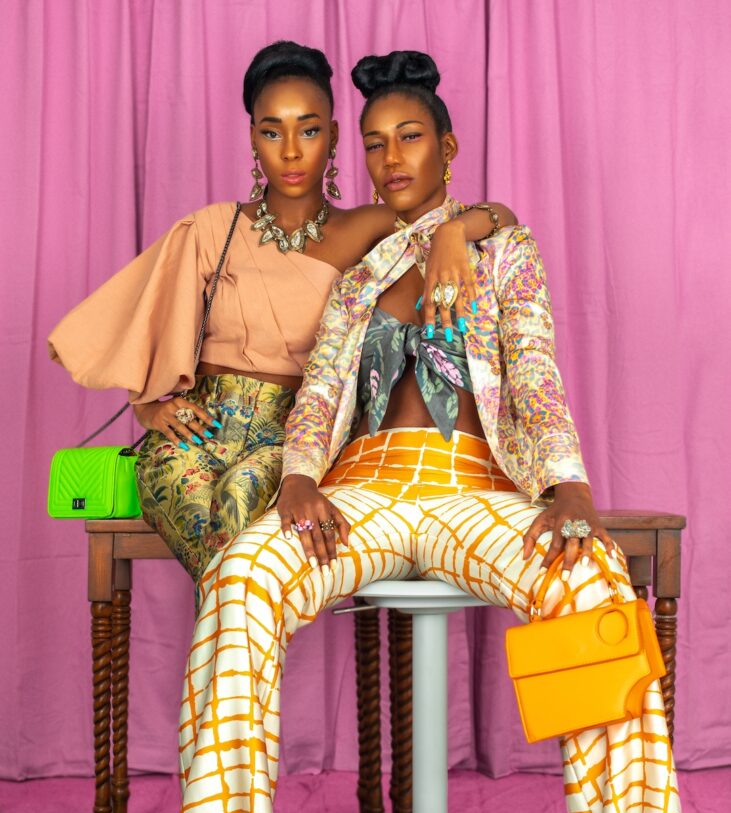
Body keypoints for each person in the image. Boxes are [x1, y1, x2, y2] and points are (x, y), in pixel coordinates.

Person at [175, 49, 689, 813]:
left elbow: (530, 374)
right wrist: (295, 476)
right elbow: (323, 389)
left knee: (590, 583)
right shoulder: (358, 267)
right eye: (372, 144)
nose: (390, 157)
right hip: (359, 492)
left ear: (448, 147)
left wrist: (566, 486)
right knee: (239, 579)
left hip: (473, 489)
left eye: (409, 136)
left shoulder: (502, 249)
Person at [49, 41, 514, 585]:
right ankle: (241, 644)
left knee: (240, 516)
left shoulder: (372, 228)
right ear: (253, 138)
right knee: (184, 495)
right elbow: (141, 324)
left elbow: (498, 219)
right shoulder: (212, 229)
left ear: (335, 137)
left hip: (292, 441)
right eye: (272, 131)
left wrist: (457, 232)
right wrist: (150, 410)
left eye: (309, 129)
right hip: (199, 431)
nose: (291, 151)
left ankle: (231, 657)